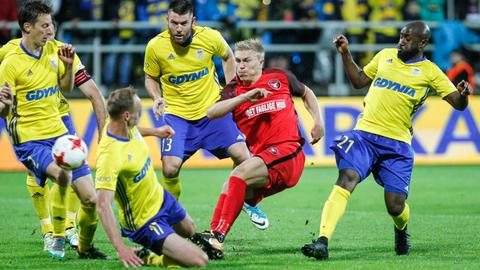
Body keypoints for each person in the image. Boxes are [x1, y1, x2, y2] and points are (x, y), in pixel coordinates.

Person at [301, 21, 472, 260]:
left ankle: (401, 229)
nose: (401, 41)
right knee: (346, 179)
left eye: (407, 38)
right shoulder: (385, 56)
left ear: (422, 43)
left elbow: (457, 104)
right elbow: (359, 81)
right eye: (401, 36)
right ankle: (322, 241)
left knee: (395, 206)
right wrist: (346, 54)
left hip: (397, 145)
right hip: (364, 136)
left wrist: (463, 95)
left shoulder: (430, 71)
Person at [193, 38, 324, 260]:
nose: (241, 66)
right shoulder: (234, 90)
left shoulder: (279, 76)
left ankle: (218, 236)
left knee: (239, 174)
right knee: (231, 185)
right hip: (266, 161)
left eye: (246, 60)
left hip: (288, 153)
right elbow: (212, 112)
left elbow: (306, 93)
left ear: (260, 60)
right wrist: (245, 96)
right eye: (237, 61)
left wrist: (318, 122)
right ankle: (214, 235)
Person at [143, 0, 269, 229]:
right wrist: (156, 96)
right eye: (173, 23)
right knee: (170, 169)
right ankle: (171, 216)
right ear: (167, 21)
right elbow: (150, 77)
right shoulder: (155, 46)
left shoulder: (210, 37)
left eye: (183, 23)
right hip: (177, 116)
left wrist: (232, 92)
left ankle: (244, 199)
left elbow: (229, 56)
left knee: (245, 157)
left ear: (193, 21)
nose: (178, 28)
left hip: (212, 112)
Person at [0, 1, 109, 260]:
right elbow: (4, 111)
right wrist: (4, 105)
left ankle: (82, 244)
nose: (51, 30)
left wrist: (69, 67)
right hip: (29, 137)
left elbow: (72, 89)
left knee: (91, 199)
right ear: (27, 27)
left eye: (52, 24)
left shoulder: (59, 51)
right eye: (45, 25)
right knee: (62, 176)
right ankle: (55, 234)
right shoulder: (10, 58)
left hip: (59, 127)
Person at [95, 87, 208, 268]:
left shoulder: (122, 125)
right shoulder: (110, 155)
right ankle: (149, 257)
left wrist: (156, 132)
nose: (141, 113)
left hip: (160, 197)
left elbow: (135, 129)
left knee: (189, 230)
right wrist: (120, 247)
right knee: (199, 261)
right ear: (126, 116)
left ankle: (166, 246)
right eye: (138, 111)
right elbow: (102, 205)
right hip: (144, 220)